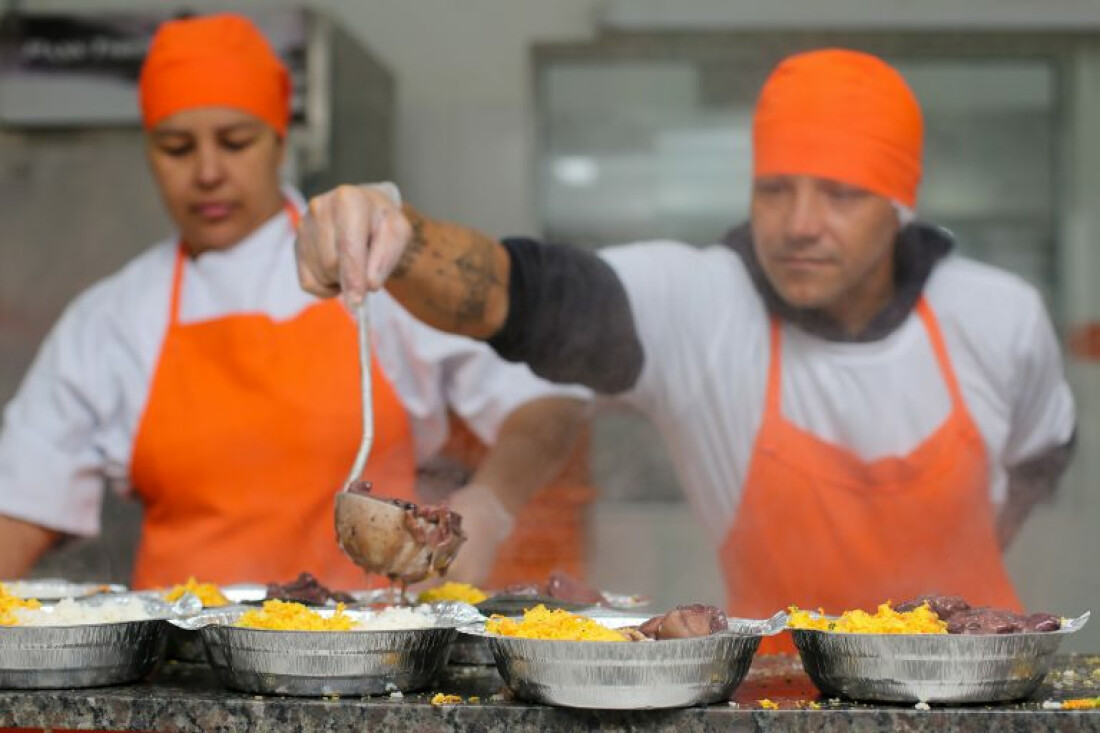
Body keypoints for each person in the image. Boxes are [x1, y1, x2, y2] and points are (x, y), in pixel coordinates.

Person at [296, 48, 1077, 651]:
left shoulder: (997, 316)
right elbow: (520, 291)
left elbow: (1041, 459)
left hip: (981, 683)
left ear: (901, 203)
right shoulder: (703, 304)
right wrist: (395, 233)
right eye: (775, 188)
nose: (800, 224)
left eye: (842, 194)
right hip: (773, 694)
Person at [0, 13, 592, 591]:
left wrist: (489, 506)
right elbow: (21, 503)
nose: (208, 172)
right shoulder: (111, 318)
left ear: (280, 141)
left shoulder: (372, 264)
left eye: (236, 142)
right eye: (177, 147)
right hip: (177, 651)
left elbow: (550, 402)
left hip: (369, 641)